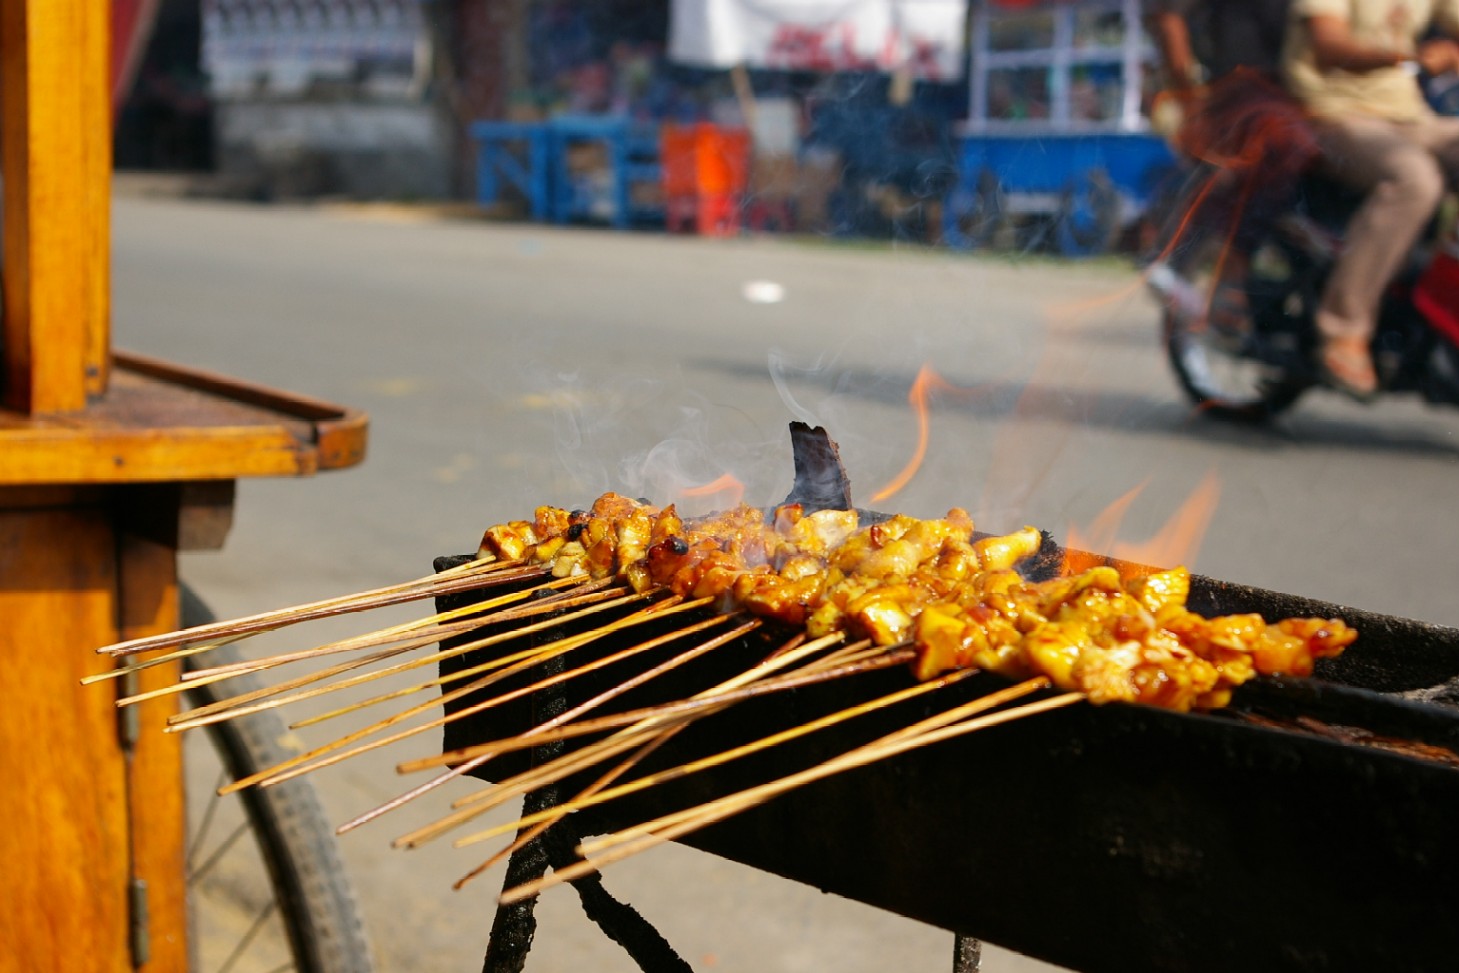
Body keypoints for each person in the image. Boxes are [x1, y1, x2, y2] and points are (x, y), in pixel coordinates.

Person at [1283, 1, 1459, 400]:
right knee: (1415, 180)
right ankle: (1344, 328)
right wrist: (1413, 57)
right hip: (1332, 116)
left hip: (1409, 118)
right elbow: (1328, 47)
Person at [1147, 1, 1318, 334]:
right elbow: (1167, 17)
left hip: (1317, 89)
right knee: (1279, 146)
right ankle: (1228, 274)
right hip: (1249, 89)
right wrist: (1190, 101)